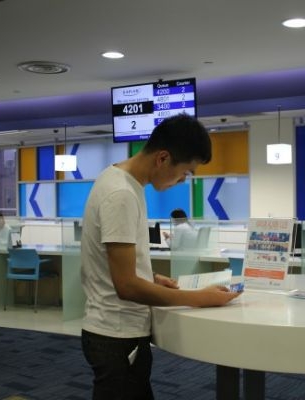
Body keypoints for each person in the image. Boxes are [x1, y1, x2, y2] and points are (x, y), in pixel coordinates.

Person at [80, 114, 241, 400]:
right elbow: (126, 286)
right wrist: (198, 298)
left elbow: (114, 267)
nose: (183, 181)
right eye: (185, 172)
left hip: (117, 332)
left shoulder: (121, 181)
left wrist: (150, 277)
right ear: (163, 158)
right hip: (116, 334)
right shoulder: (121, 194)